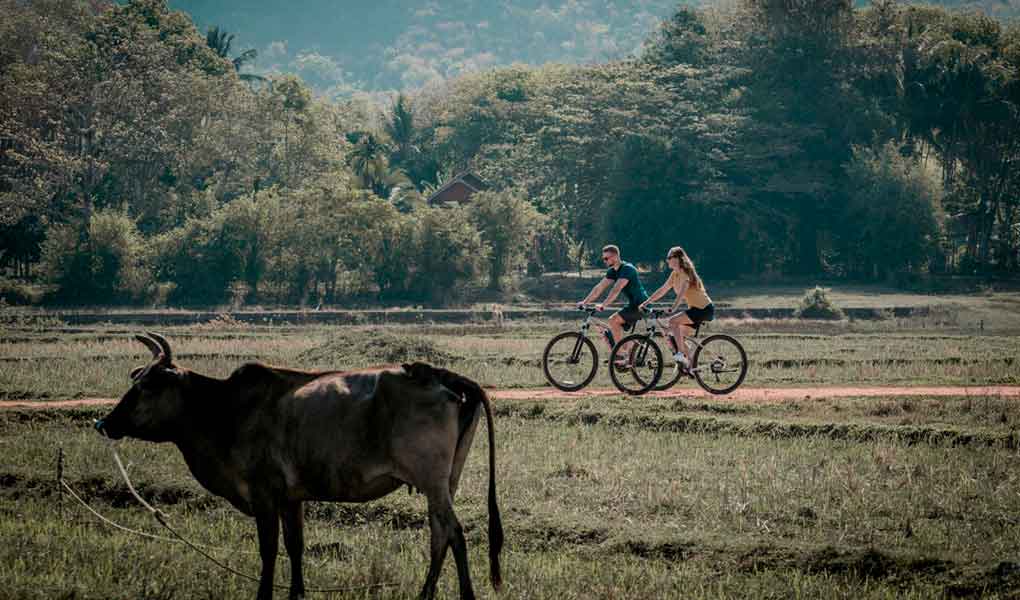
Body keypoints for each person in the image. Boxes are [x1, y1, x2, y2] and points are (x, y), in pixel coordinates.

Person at [640, 246, 714, 370]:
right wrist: (646, 303)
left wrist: (673, 308)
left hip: (703, 309)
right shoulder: (674, 274)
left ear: (677, 259)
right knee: (675, 337)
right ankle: (691, 364)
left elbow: (682, 293)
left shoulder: (685, 273)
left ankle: (680, 354)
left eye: (669, 258)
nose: (667, 260)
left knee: (672, 321)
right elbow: (662, 290)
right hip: (695, 310)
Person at [577, 245, 649, 366]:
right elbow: (599, 288)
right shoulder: (612, 271)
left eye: (607, 258)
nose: (605, 261)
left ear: (615, 256)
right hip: (632, 305)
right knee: (614, 328)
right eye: (604, 259)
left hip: (641, 304)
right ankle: (631, 347)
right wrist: (585, 302)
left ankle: (620, 355)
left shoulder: (628, 269)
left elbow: (616, 289)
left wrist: (603, 305)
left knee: (613, 320)